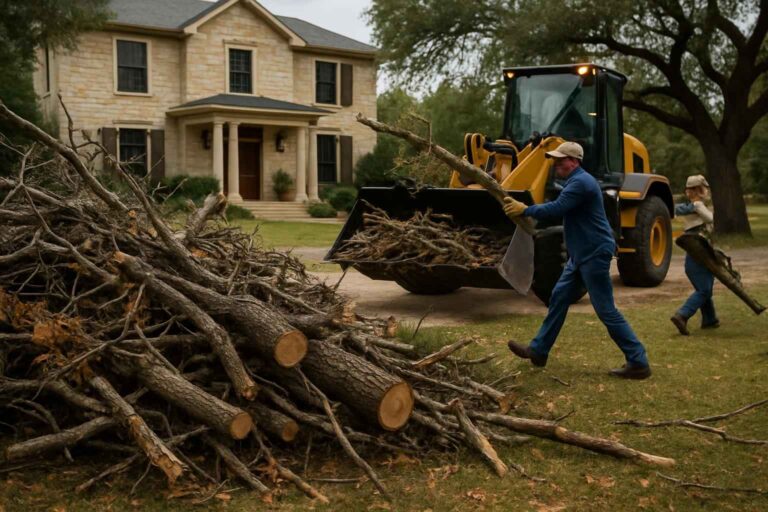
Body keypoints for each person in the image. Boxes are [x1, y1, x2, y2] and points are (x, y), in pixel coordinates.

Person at [503, 141, 652, 379]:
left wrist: (525, 209)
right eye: (555, 160)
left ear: (574, 161)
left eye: (560, 160)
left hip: (594, 253)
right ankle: (539, 351)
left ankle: (638, 361)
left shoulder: (581, 183)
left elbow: (556, 208)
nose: (556, 164)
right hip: (581, 254)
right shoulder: (575, 182)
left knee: (606, 310)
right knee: (558, 297)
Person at [670, 175, 718, 335]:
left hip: (696, 257)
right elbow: (710, 219)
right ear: (700, 190)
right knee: (704, 290)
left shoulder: (689, 207)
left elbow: (674, 209)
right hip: (700, 256)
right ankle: (682, 315)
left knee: (704, 288)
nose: (708, 191)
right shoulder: (697, 205)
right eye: (705, 188)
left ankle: (710, 319)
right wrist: (698, 206)